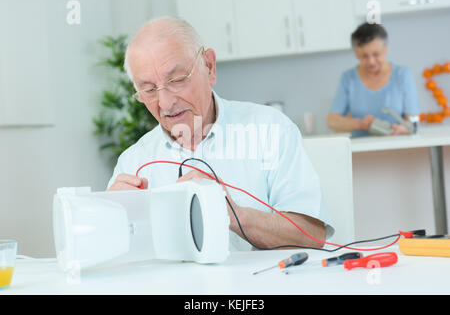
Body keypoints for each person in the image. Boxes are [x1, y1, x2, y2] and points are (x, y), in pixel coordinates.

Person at [106, 16, 333, 251]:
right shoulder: (133, 162)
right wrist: (109, 224)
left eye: (176, 80)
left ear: (209, 67)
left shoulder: (271, 130)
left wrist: (234, 215)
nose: (165, 103)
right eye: (149, 90)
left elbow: (312, 235)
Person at [327, 22, 421, 137]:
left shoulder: (403, 75)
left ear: (385, 49)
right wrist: (359, 124)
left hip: (398, 145)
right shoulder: (348, 78)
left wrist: (403, 128)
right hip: (361, 148)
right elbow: (332, 121)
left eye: (376, 54)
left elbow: (413, 122)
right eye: (364, 56)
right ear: (356, 53)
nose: (371, 61)